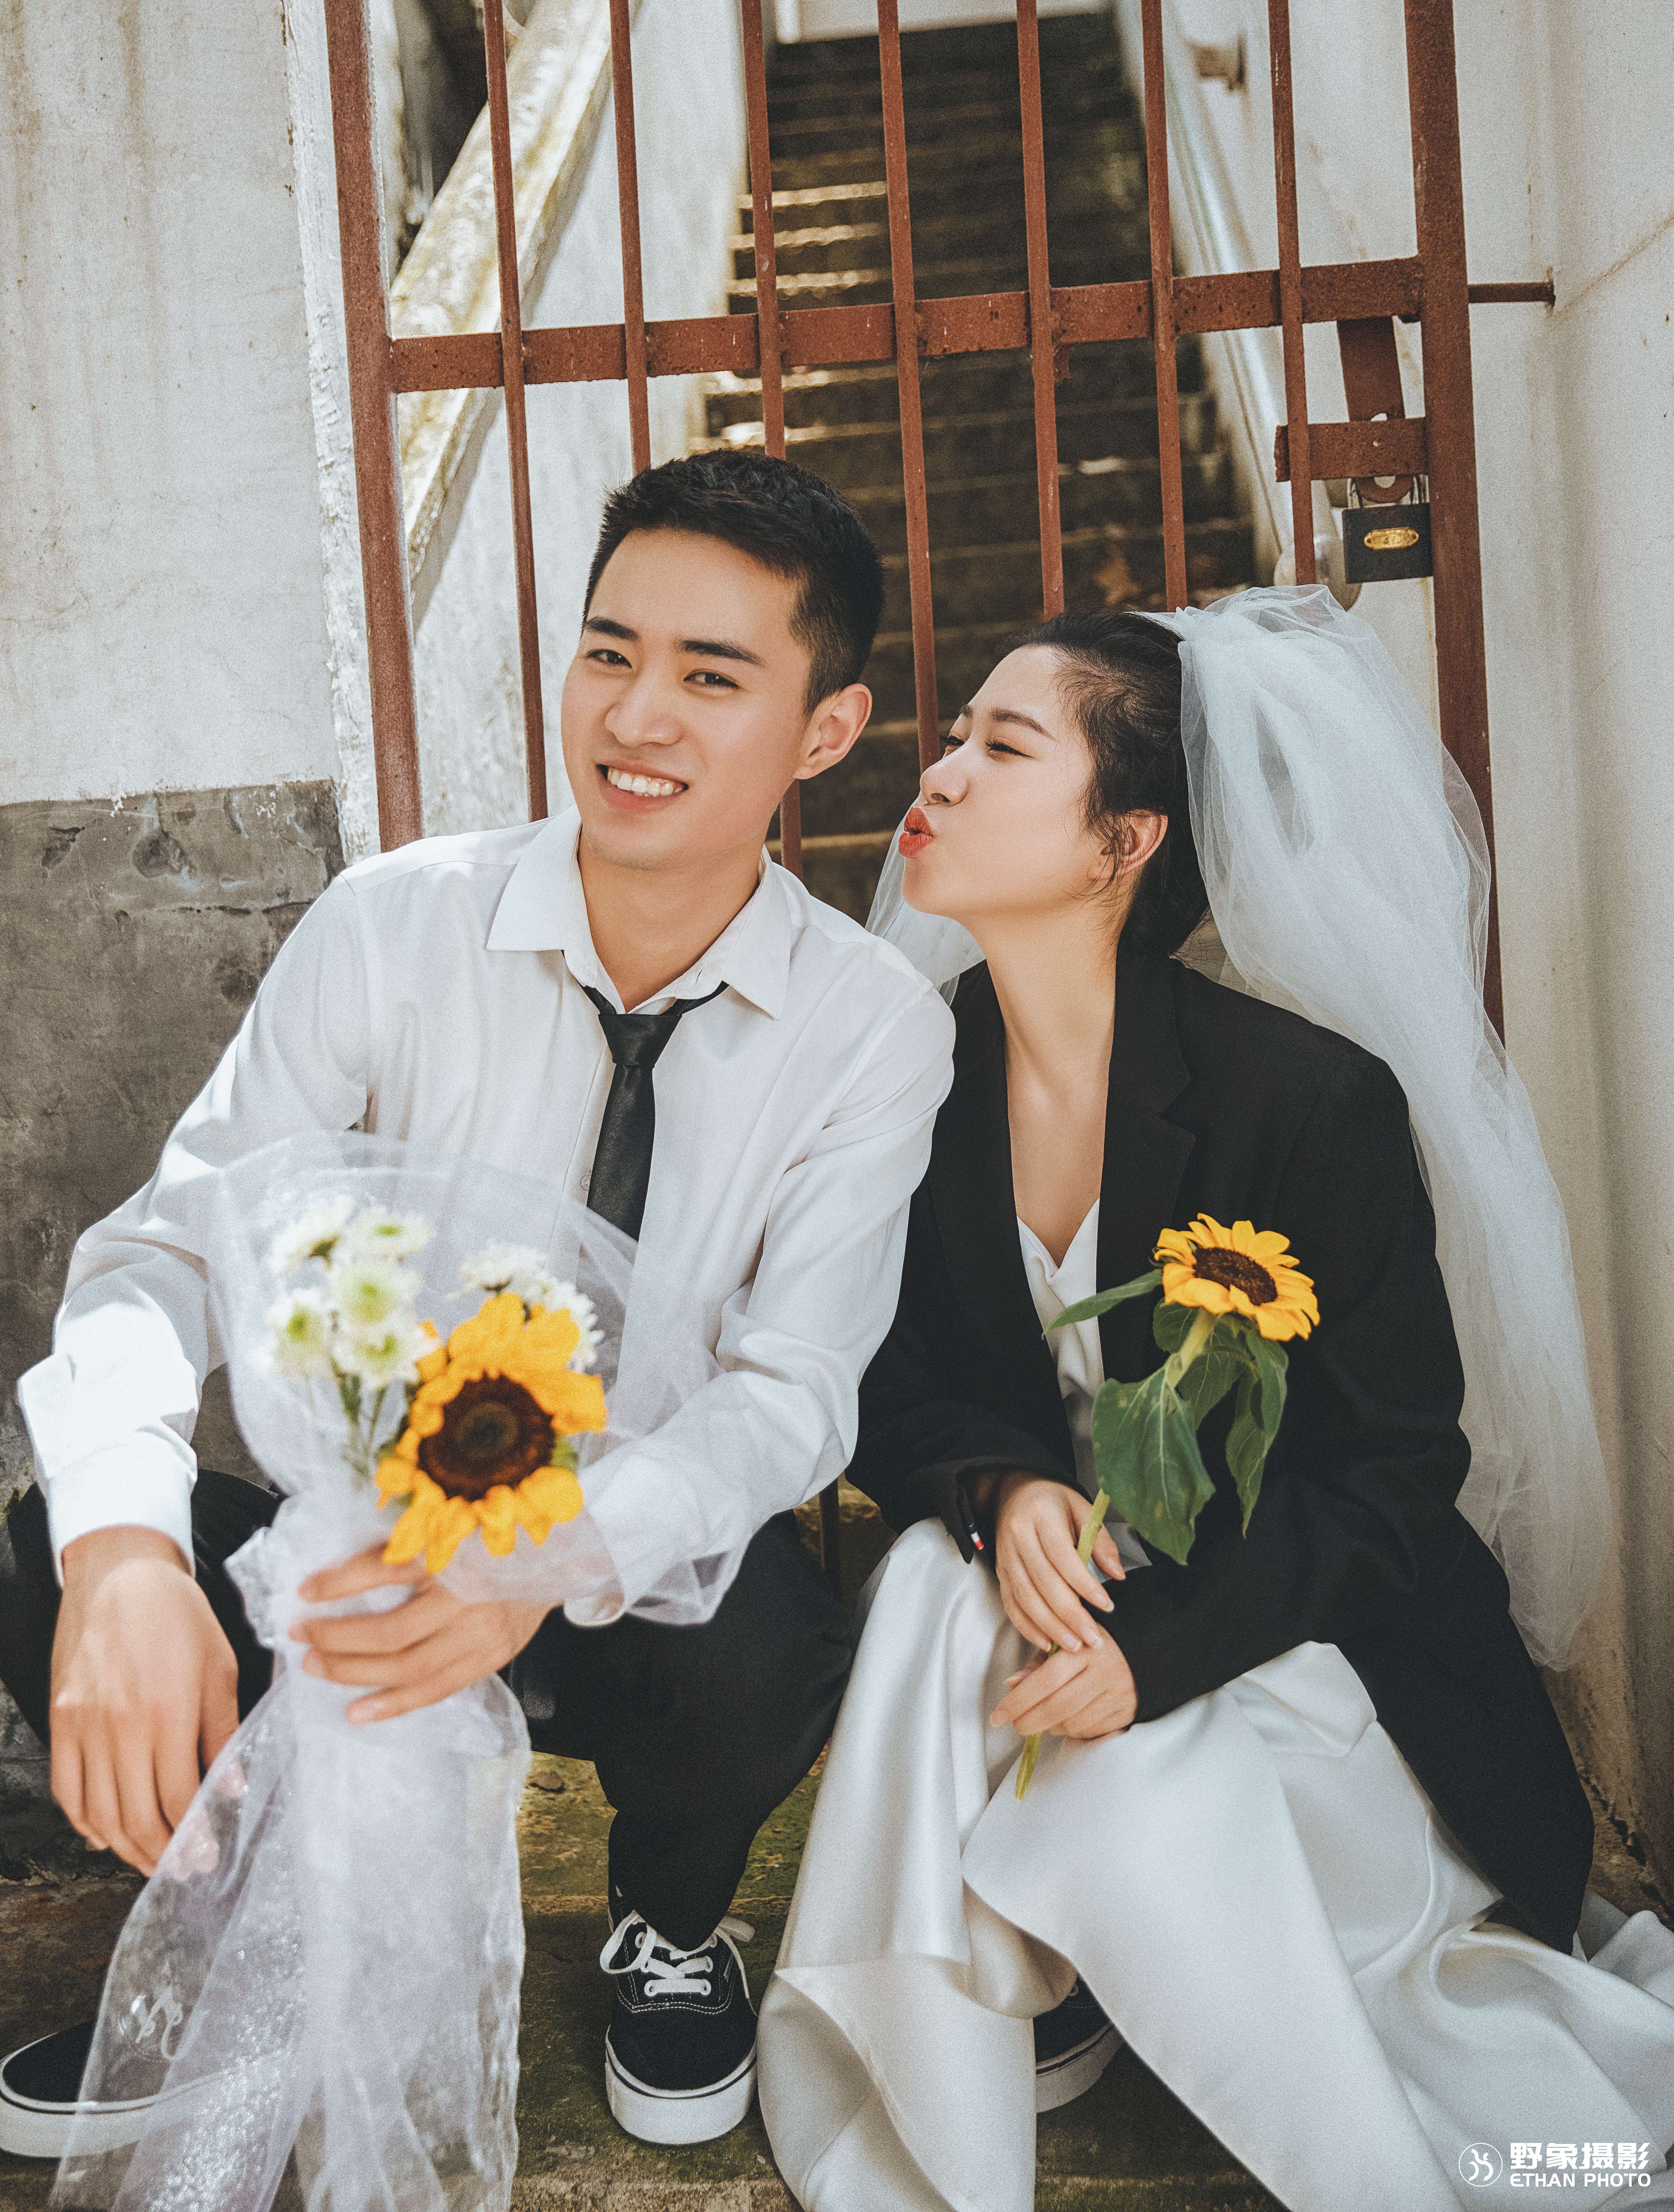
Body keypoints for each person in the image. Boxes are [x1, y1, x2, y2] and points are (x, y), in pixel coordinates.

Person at [0, 450, 955, 2159]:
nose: (634, 718)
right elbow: (169, 1251)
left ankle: (672, 1917)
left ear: (825, 731)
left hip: (624, 1577)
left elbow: (795, 1389)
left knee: (771, 1642)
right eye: (609, 653)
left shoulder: (873, 1025)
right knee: (52, 1539)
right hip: (363, 1563)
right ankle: (234, 1936)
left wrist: (541, 1558)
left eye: (710, 677)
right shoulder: (396, 924)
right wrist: (123, 1555)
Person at [757, 598, 1674, 2212]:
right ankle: (944, 2062)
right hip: (1051, 1620)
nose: (941, 771)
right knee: (923, 1582)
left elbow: (1395, 1482)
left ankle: (1044, 1970)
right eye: (955, 734)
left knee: (1118, 1772)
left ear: (1123, 842)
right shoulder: (908, 1082)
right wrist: (1001, 1488)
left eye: (1003, 746)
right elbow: (887, 1386)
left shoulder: (1307, 1104)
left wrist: (1157, 1658)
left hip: (1297, 1655)